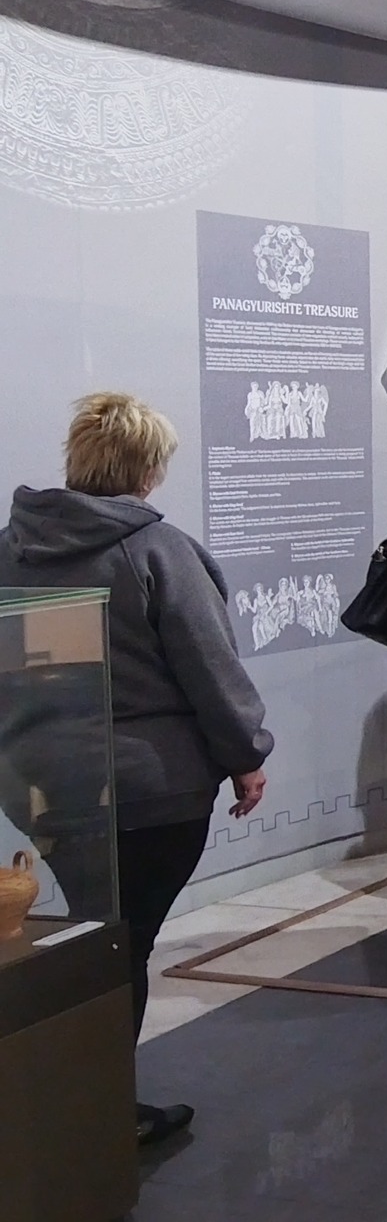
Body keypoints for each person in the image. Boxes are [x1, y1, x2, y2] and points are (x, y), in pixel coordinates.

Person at [0, 392, 272, 1147]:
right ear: (149, 469)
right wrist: (247, 756)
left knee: (90, 934)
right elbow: (210, 669)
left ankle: (64, 1098)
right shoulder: (157, 551)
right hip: (150, 788)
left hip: (42, 783)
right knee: (123, 947)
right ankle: (97, 1115)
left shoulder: (12, 546)